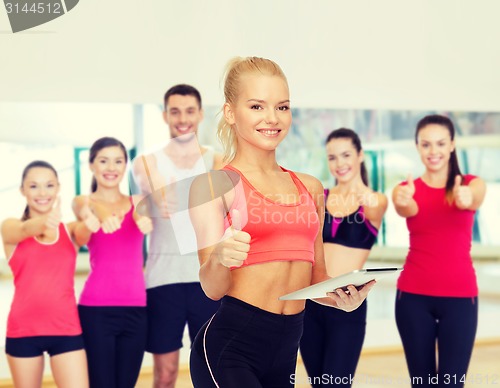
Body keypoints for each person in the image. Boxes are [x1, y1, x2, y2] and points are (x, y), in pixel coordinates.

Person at [188, 56, 375, 388]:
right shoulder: (213, 186)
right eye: (257, 107)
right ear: (231, 113)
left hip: (287, 349)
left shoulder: (310, 188)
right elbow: (212, 288)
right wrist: (219, 256)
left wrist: (341, 298)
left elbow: (316, 279)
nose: (272, 119)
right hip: (230, 348)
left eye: (282, 107)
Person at [132, 84, 223, 388]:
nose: (182, 118)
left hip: (206, 279)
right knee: (166, 373)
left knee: (210, 370)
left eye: (189, 111)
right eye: (175, 111)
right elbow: (150, 186)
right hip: (163, 280)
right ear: (164, 116)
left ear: (199, 115)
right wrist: (159, 192)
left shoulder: (217, 162)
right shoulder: (147, 162)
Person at [392, 114, 486, 388]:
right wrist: (403, 200)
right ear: (418, 147)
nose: (434, 151)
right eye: (426, 144)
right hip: (412, 298)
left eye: (441, 143)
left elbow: (475, 197)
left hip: (460, 299)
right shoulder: (406, 190)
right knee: (421, 383)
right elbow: (405, 207)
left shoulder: (471, 183)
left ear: (453, 145)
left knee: (451, 383)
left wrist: (466, 198)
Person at [300, 128, 388, 387]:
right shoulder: (320, 197)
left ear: (360, 155)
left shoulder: (375, 201)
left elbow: (375, 202)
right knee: (318, 383)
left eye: (346, 155)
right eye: (332, 157)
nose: (339, 164)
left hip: (347, 302)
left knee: (336, 384)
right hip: (311, 301)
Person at [1, 160, 93, 388]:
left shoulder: (68, 230)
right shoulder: (10, 226)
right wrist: (44, 222)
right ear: (22, 190)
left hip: (66, 330)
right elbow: (24, 229)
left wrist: (89, 221)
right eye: (33, 186)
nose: (42, 192)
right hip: (22, 331)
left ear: (58, 188)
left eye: (49, 185)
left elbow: (83, 233)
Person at [73, 137, 153, 388]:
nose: (111, 167)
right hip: (96, 310)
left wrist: (146, 219)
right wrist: (95, 215)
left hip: (136, 309)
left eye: (118, 161)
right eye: (103, 160)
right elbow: (83, 210)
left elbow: (149, 210)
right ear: (91, 166)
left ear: (125, 166)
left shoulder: (138, 201)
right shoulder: (83, 202)